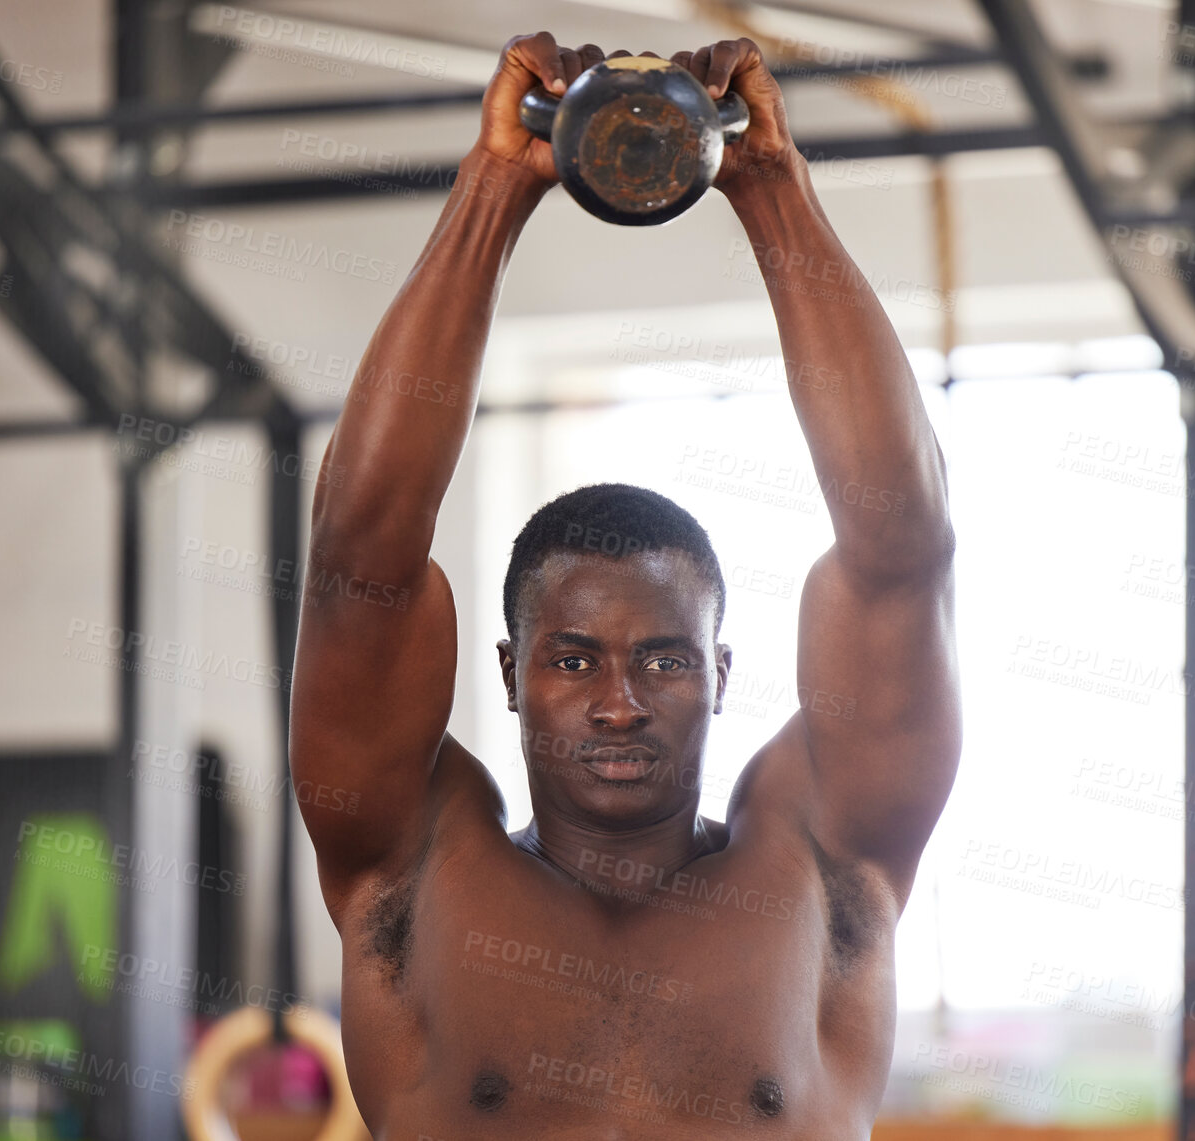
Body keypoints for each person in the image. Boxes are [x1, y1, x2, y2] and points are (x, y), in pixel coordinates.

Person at [291, 31, 960, 1139]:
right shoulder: (413, 866)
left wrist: (772, 188)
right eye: (572, 658)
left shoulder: (818, 864)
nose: (619, 700)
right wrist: (496, 187)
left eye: (664, 658)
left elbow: (904, 556)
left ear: (720, 674)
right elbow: (355, 563)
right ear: (507, 672)